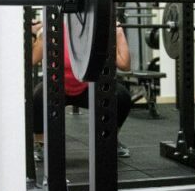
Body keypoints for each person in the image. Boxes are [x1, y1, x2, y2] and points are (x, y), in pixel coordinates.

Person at [31, 18, 134, 159]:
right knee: (37, 97)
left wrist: (119, 33)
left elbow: (124, 65)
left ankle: (110, 139)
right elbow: (31, 60)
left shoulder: (97, 31)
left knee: (121, 97)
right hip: (58, 86)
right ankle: (40, 143)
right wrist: (31, 34)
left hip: (88, 86)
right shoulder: (54, 30)